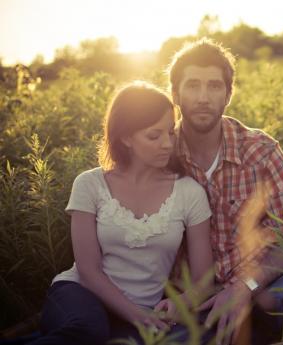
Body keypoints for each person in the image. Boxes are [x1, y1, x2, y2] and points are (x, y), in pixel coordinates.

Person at [167, 38, 283, 345]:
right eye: (192, 85)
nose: (203, 97)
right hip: (197, 299)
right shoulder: (161, 157)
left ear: (228, 94)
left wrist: (244, 285)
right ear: (175, 93)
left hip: (266, 285)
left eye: (214, 86)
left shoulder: (261, 151)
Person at [29, 82, 214, 345]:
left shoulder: (189, 193)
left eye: (170, 133)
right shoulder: (89, 184)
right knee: (88, 330)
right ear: (126, 137)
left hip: (144, 310)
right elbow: (88, 270)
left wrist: (181, 303)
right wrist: (137, 316)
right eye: (154, 136)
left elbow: (203, 281)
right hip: (80, 295)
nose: (167, 144)